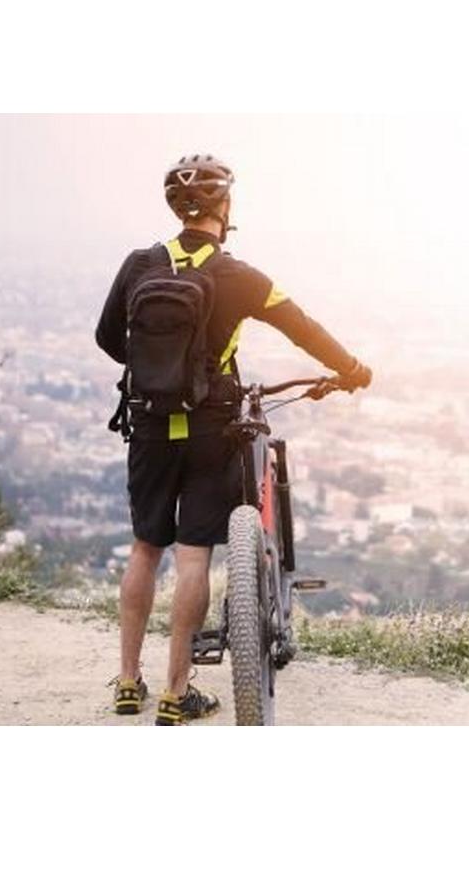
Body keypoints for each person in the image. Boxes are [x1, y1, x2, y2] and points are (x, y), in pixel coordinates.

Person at [96, 154, 372, 725]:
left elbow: (108, 338)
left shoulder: (139, 264)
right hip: (209, 427)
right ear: (226, 208)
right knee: (193, 555)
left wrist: (159, 367)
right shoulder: (241, 277)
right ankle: (177, 693)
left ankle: (128, 682)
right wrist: (350, 369)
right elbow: (303, 327)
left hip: (149, 423)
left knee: (146, 547)